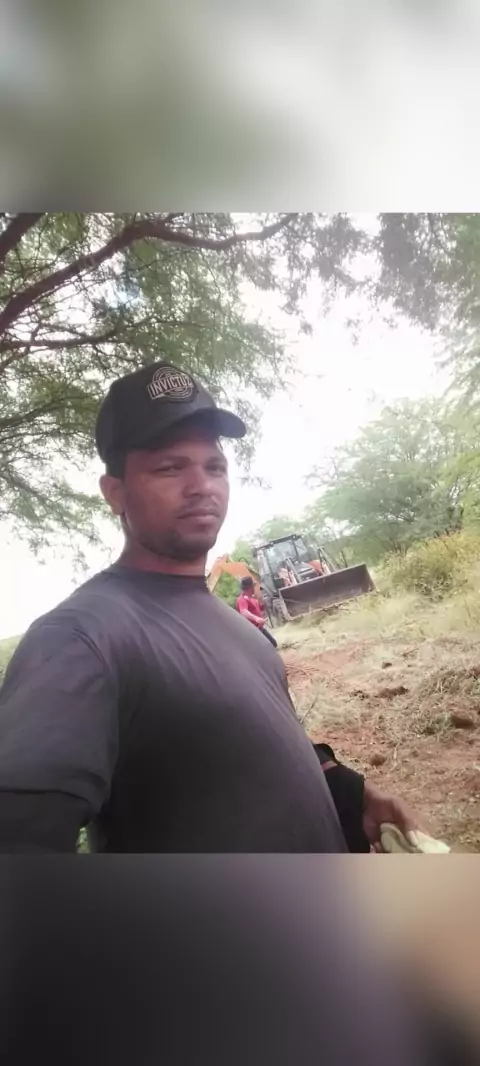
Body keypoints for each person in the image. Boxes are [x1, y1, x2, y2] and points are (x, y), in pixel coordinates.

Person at [0, 361, 417, 853]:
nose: (202, 485)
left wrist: (347, 794)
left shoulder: (242, 632)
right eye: (169, 467)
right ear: (115, 493)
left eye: (214, 466)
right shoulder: (81, 637)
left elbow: (242, 751)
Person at [236, 575, 278, 648]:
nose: (254, 588)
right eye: (253, 587)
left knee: (273, 643)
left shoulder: (253, 598)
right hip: (252, 630)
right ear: (250, 588)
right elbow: (243, 611)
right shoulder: (242, 599)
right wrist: (256, 619)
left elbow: (260, 609)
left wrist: (264, 603)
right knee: (267, 646)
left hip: (259, 628)